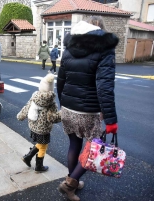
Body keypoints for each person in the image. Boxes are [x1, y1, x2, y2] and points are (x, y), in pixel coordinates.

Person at [56, 16, 119, 201]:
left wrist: (64, 104)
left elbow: (61, 80)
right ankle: (70, 184)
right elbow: (105, 87)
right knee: (94, 149)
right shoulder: (105, 48)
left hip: (68, 108)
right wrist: (111, 120)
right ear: (100, 29)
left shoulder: (69, 48)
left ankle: (72, 181)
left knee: (74, 145)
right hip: (88, 112)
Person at [17, 72, 61, 173]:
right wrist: (62, 115)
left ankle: (28, 157)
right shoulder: (51, 103)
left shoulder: (35, 97)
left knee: (41, 143)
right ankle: (38, 166)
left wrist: (20, 116)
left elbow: (26, 108)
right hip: (43, 129)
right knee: (43, 145)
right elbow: (52, 118)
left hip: (33, 126)